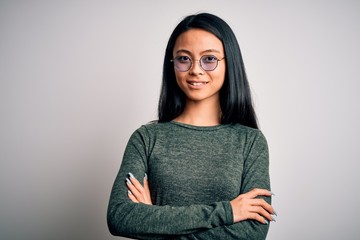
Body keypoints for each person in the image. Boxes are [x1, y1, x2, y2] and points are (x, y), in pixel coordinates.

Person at [107, 12, 276, 239]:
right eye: (184, 58)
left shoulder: (250, 142)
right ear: (172, 64)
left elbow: (252, 233)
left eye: (209, 59)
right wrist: (227, 211)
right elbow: (120, 217)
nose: (195, 70)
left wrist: (154, 222)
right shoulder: (147, 138)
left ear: (229, 63)